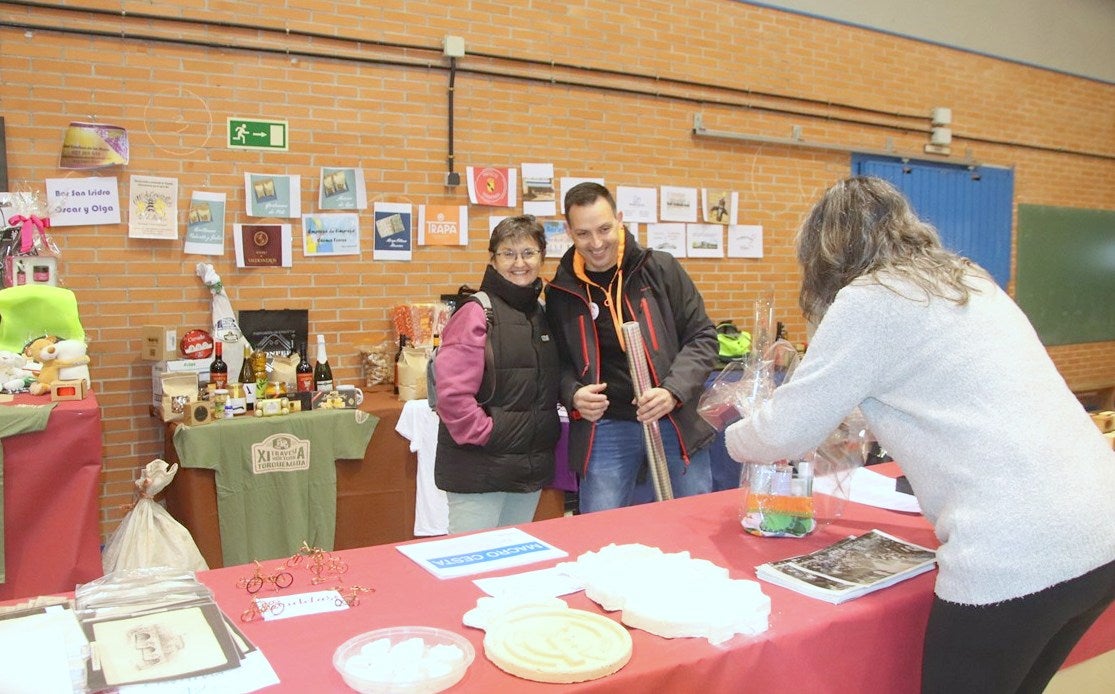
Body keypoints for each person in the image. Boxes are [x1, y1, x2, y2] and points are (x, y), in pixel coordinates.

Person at [724, 176, 1115, 693]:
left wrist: (732, 436)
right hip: (1100, 528)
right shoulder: (966, 278)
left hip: (1017, 552)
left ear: (824, 254)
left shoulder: (870, 300)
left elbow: (785, 431)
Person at [545, 182, 717, 513]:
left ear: (620, 219)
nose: (596, 243)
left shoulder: (660, 269)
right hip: (607, 427)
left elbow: (703, 336)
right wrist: (573, 394)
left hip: (674, 419)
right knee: (600, 531)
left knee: (694, 522)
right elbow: (556, 364)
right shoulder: (561, 291)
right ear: (568, 231)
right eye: (583, 234)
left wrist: (672, 392)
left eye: (604, 229)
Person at [433, 215, 561, 533]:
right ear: (493, 259)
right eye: (508, 253)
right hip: (479, 467)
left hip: (527, 468)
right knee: (472, 567)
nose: (519, 262)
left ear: (542, 257)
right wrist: (490, 433)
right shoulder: (477, 312)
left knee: (512, 563)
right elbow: (451, 395)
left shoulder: (542, 313)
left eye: (528, 253)